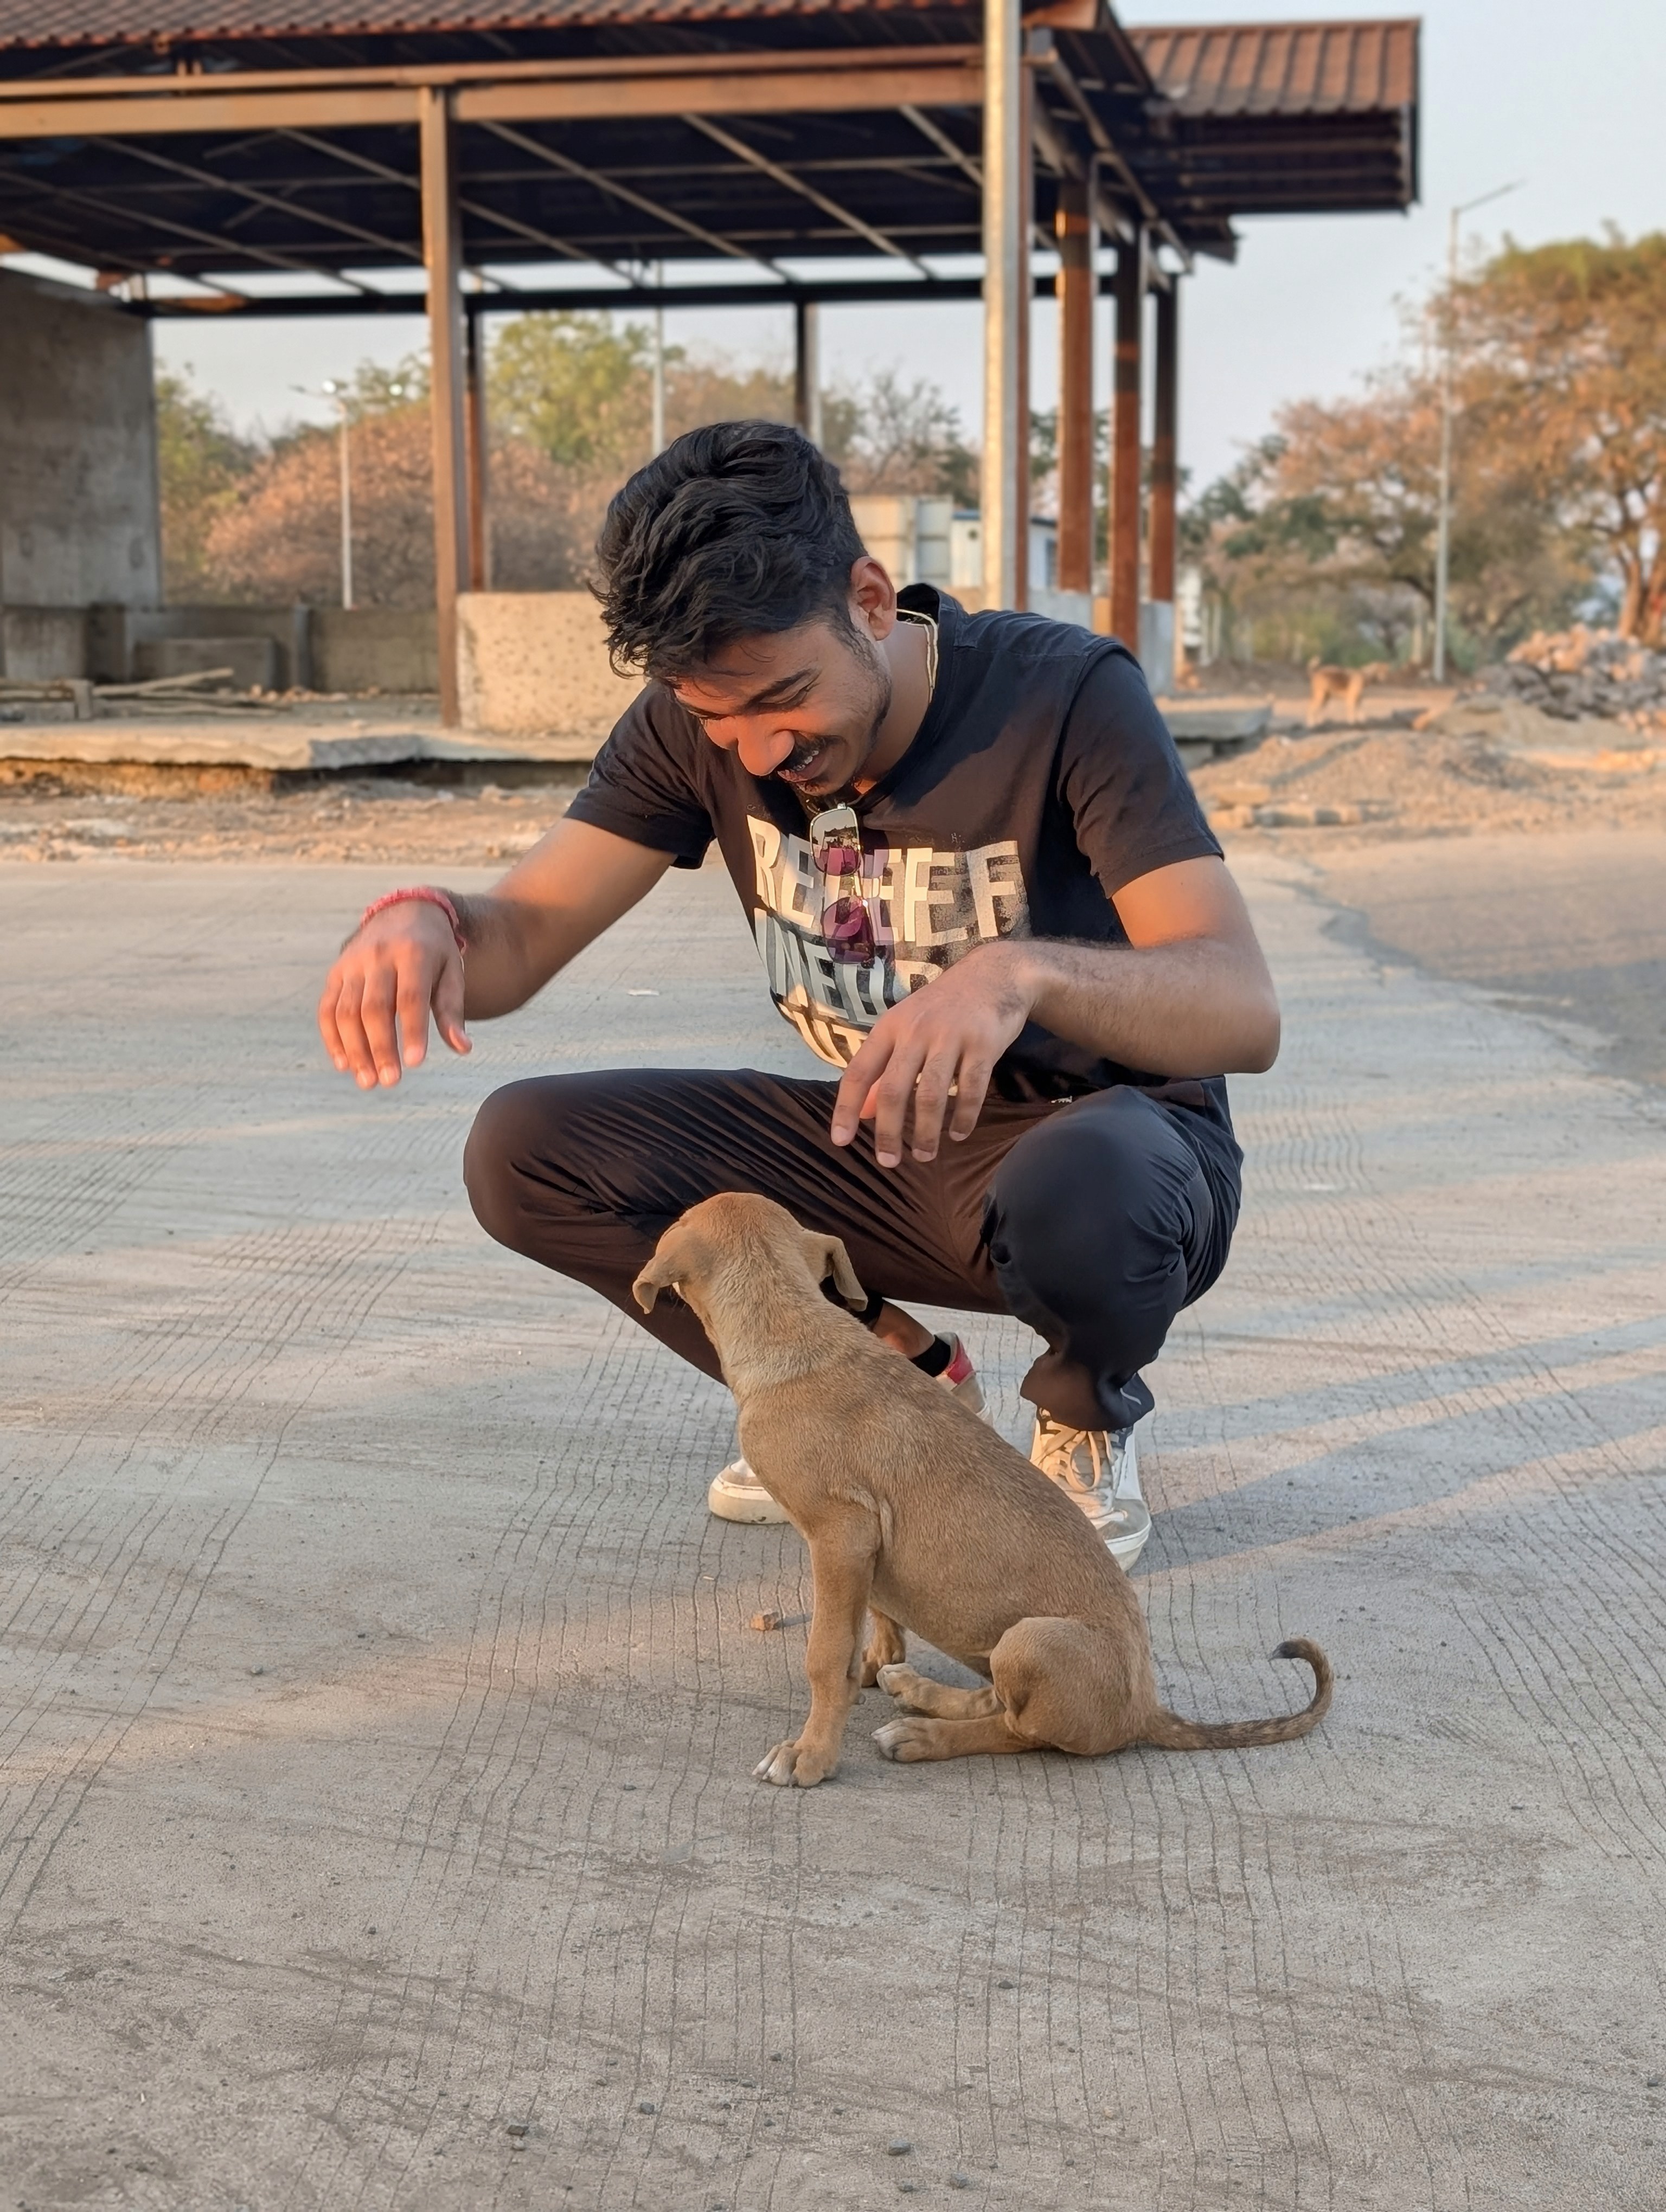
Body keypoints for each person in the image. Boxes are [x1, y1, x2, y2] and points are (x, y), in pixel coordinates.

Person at [317, 422, 1279, 1568]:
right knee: (523, 1148)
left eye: (782, 700)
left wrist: (1016, 973)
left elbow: (1240, 1005)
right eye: (718, 718)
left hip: (1109, 1156)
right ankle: (874, 1391)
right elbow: (524, 933)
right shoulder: (703, 728)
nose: (759, 752)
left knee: (1089, 1182)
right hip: (879, 1143)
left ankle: (1080, 1420)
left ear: (870, 600)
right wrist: (427, 915)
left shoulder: (1061, 697)